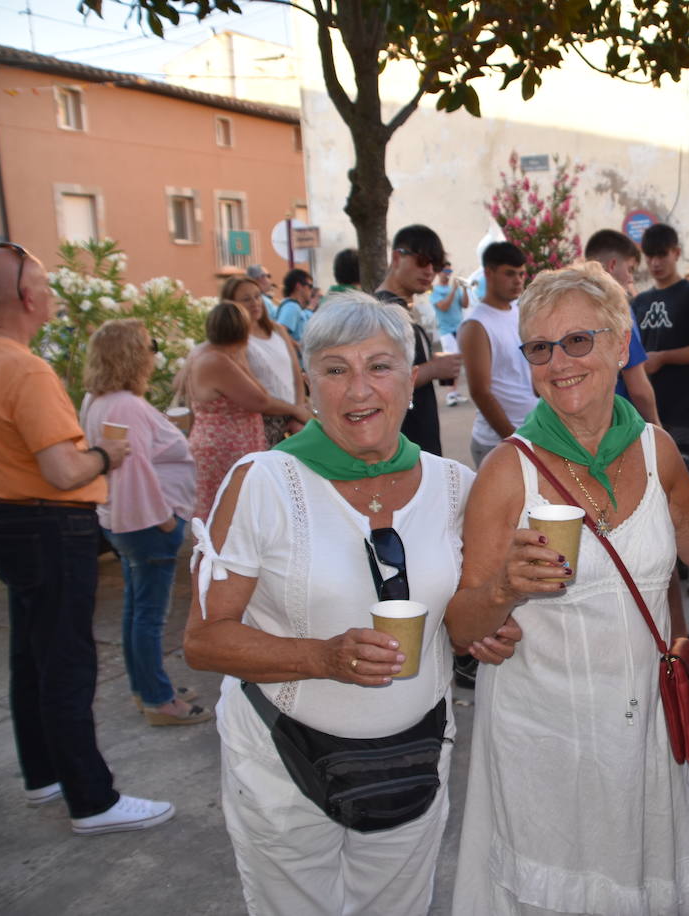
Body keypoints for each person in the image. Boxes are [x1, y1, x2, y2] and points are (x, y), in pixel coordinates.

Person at [183, 293, 521, 915]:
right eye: (336, 369)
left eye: (380, 365)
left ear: (410, 379)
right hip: (284, 761)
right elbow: (204, 641)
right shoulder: (264, 484)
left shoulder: (455, 487)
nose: (359, 388)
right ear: (310, 384)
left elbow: (461, 612)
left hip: (415, 757)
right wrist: (324, 656)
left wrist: (483, 633)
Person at [449, 262, 689, 915]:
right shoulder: (508, 472)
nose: (558, 361)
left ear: (622, 345)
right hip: (543, 744)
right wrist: (504, 588)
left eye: (578, 341)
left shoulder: (658, 452)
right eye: (540, 347)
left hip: (640, 734)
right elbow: (463, 624)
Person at [0, 242, 174, 834]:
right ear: (26, 297)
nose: (51, 295)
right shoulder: (23, 368)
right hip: (51, 524)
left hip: (13, 521)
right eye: (44, 285)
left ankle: (42, 772)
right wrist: (106, 453)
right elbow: (64, 471)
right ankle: (91, 799)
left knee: (32, 655)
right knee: (67, 663)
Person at [80, 319, 207, 726]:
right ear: (132, 355)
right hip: (146, 524)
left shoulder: (98, 399)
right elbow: (135, 471)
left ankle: (147, 686)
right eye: (149, 346)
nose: (154, 355)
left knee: (138, 611)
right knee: (149, 615)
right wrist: (166, 523)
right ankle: (158, 699)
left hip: (125, 521)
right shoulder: (124, 405)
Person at [181, 301, 308, 520]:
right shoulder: (218, 360)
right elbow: (259, 400)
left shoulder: (206, 353)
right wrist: (297, 410)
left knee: (227, 509)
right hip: (225, 447)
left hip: (221, 445)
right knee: (231, 513)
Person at [375, 225, 463, 456]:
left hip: (417, 447)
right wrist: (434, 368)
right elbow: (382, 379)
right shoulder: (384, 311)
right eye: (423, 261)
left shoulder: (401, 308)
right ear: (397, 257)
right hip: (402, 449)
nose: (430, 271)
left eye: (435, 264)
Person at [633, 223, 689, 476]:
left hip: (683, 412)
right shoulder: (639, 302)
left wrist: (664, 357)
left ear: (676, 253)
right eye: (650, 256)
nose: (655, 262)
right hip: (642, 411)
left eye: (661, 254)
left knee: (679, 480)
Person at [460, 241, 537, 468]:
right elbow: (480, 392)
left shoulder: (518, 311)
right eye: (510, 273)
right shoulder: (476, 325)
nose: (518, 280)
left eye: (522, 274)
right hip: (498, 443)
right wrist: (514, 440)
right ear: (489, 273)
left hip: (532, 433)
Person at [585, 228, 661, 424]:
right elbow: (638, 389)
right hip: (616, 425)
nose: (631, 279)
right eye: (630, 269)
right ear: (612, 266)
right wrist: (657, 430)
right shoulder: (617, 310)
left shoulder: (566, 305)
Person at [222, 275, 307, 448]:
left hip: (295, 414)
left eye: (257, 296)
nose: (255, 302)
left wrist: (298, 410)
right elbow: (249, 391)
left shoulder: (277, 329)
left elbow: (295, 373)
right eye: (246, 299)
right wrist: (293, 410)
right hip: (264, 420)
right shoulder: (236, 341)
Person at [431, 264, 467, 406]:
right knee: (449, 363)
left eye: (450, 271)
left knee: (457, 362)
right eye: (446, 271)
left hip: (460, 329)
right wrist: (453, 290)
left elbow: (464, 304)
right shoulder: (436, 291)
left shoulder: (456, 289)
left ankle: (455, 392)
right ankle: (449, 394)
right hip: (447, 331)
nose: (448, 273)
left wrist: (464, 288)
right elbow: (444, 307)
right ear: (439, 272)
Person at [274, 268, 315, 343]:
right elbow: (280, 332)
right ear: (298, 286)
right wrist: (297, 347)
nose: (311, 290)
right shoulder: (292, 307)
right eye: (310, 286)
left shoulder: (292, 306)